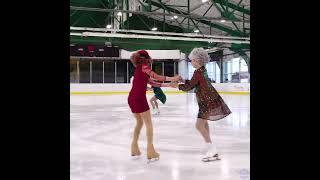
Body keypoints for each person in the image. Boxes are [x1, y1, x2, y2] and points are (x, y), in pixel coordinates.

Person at [171, 48, 231, 162]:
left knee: (199, 125)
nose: (191, 62)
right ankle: (211, 148)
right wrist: (183, 81)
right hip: (209, 100)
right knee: (204, 124)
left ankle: (212, 149)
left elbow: (189, 87)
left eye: (192, 60)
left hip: (207, 101)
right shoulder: (202, 70)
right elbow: (194, 83)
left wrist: (177, 86)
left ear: (197, 60)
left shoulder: (198, 72)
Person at [128, 50, 181, 161]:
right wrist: (172, 78)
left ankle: (134, 148)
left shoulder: (139, 69)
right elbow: (156, 76)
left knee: (139, 123)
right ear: (146, 59)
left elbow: (153, 83)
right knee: (149, 124)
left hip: (132, 98)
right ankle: (150, 151)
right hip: (139, 98)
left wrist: (169, 85)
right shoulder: (144, 67)